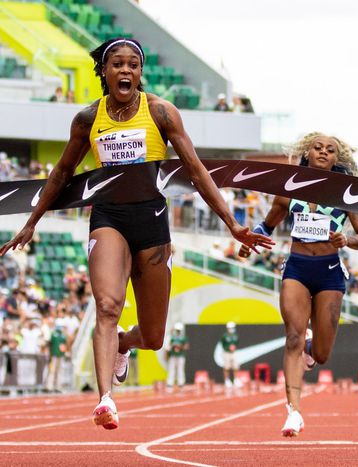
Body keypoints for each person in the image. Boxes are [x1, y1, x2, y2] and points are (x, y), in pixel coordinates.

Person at [0, 38, 273, 430]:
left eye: (133, 65)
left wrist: (232, 224)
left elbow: (196, 170)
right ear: (104, 71)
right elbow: (61, 173)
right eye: (117, 64)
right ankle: (105, 400)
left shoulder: (161, 112)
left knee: (154, 336)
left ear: (140, 72)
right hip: (108, 217)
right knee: (107, 305)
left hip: (152, 220)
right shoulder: (87, 119)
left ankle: (124, 345)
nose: (125, 70)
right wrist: (32, 221)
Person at [239, 132, 358, 437]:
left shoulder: (344, 192)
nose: (324, 152)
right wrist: (250, 241)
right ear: (307, 153)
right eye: (318, 147)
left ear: (336, 158)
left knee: (321, 354)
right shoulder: (288, 188)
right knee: (292, 338)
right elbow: (266, 225)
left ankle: (311, 348)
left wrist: (347, 239)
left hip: (329, 272)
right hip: (297, 268)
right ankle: (294, 412)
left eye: (330, 150)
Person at [46, 323, 68, 392]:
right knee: (54, 371)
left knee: (56, 371)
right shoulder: (57, 335)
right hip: (55, 355)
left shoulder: (60, 335)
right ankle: (52, 386)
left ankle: (54, 386)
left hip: (58, 355)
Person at [166, 323, 188, 388]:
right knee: (171, 369)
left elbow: (186, 347)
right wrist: (173, 346)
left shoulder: (184, 338)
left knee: (180, 369)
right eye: (177, 330)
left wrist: (180, 346)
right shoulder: (172, 337)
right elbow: (168, 346)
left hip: (181, 356)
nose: (178, 331)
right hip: (173, 355)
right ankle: (170, 383)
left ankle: (181, 382)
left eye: (179, 330)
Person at [220, 321, 239, 388]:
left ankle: (236, 380)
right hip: (226, 353)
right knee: (227, 367)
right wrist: (228, 348)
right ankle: (227, 380)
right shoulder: (224, 336)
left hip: (233, 353)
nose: (232, 329)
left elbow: (236, 343)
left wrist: (233, 348)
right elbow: (222, 344)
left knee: (236, 366)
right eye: (230, 328)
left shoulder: (235, 335)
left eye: (233, 327)